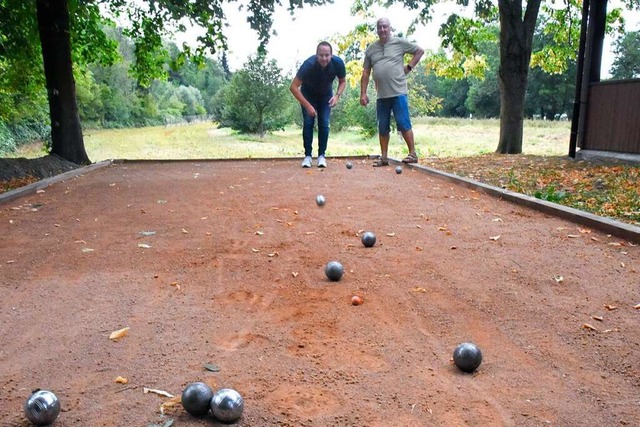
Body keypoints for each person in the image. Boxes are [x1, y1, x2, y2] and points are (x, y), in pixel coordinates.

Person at [360, 17, 424, 166]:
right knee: (383, 126)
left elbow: (419, 51)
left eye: (385, 27)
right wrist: (363, 93)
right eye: (380, 27)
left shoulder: (399, 43)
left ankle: (412, 154)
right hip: (381, 94)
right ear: (377, 29)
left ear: (390, 28)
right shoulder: (371, 49)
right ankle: (384, 157)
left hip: (398, 92)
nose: (382, 30)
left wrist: (408, 67)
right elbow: (365, 73)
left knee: (403, 123)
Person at [290, 41, 347, 168]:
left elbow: (342, 81)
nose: (324, 58)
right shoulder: (309, 64)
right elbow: (293, 87)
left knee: (324, 123)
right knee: (309, 122)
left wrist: (337, 96)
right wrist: (308, 106)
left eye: (327, 55)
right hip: (308, 95)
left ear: (331, 55)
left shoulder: (338, 63)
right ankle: (308, 156)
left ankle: (321, 156)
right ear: (317, 55)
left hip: (325, 95)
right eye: (321, 55)